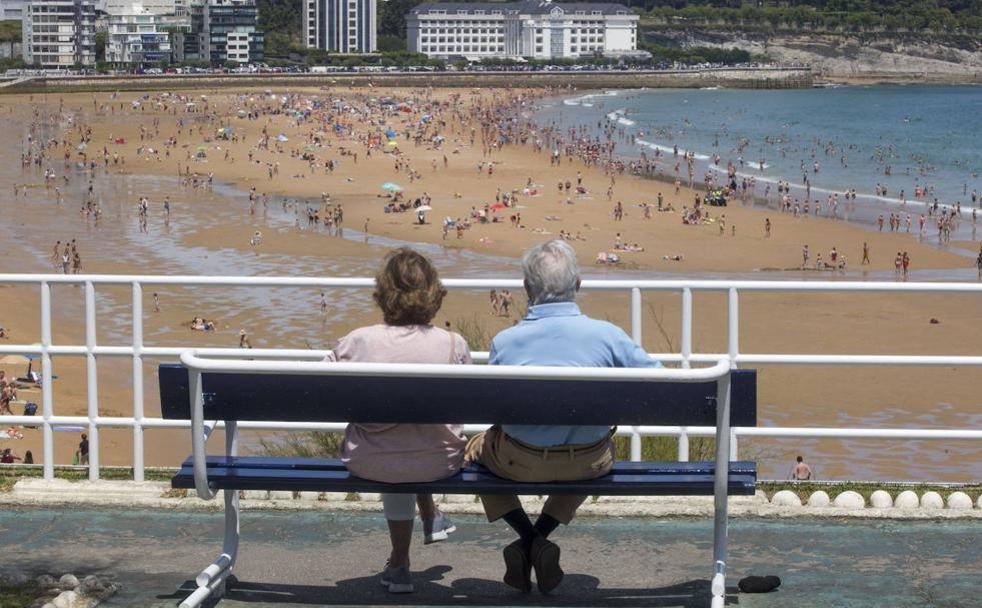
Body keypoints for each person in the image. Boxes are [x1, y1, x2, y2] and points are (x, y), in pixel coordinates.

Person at [465, 240, 662, 593]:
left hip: (518, 462)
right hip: (588, 463)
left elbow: (495, 407)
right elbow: (666, 384)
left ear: (526, 289)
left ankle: (528, 538)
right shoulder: (609, 336)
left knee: (475, 451)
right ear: (578, 286)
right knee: (593, 449)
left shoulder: (505, 341)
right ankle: (539, 539)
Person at [326, 248, 468, 593]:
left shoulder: (357, 341)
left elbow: (318, 385)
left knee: (394, 443)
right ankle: (419, 532)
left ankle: (401, 562)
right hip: (438, 463)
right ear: (434, 293)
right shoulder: (454, 344)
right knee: (416, 439)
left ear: (383, 293)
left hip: (370, 460)